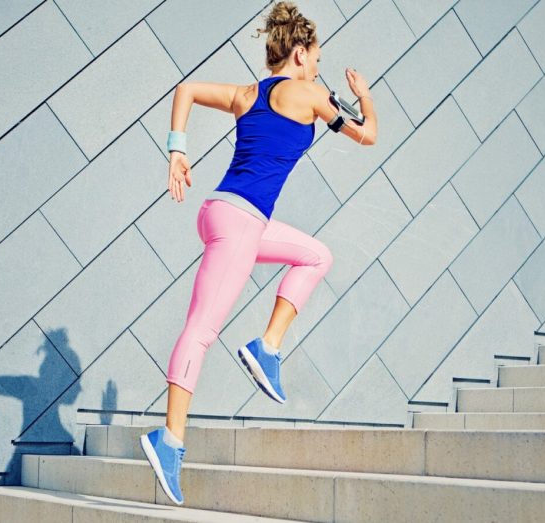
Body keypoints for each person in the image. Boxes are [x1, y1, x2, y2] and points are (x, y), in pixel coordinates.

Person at [139, 1, 379, 505]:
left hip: (225, 214)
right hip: (241, 222)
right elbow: (367, 136)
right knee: (200, 331)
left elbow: (185, 89)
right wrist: (364, 97)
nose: (319, 65)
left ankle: (267, 348)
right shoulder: (310, 93)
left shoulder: (249, 93)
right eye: (316, 56)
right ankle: (170, 439)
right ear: (298, 53)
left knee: (315, 255)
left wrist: (177, 150)